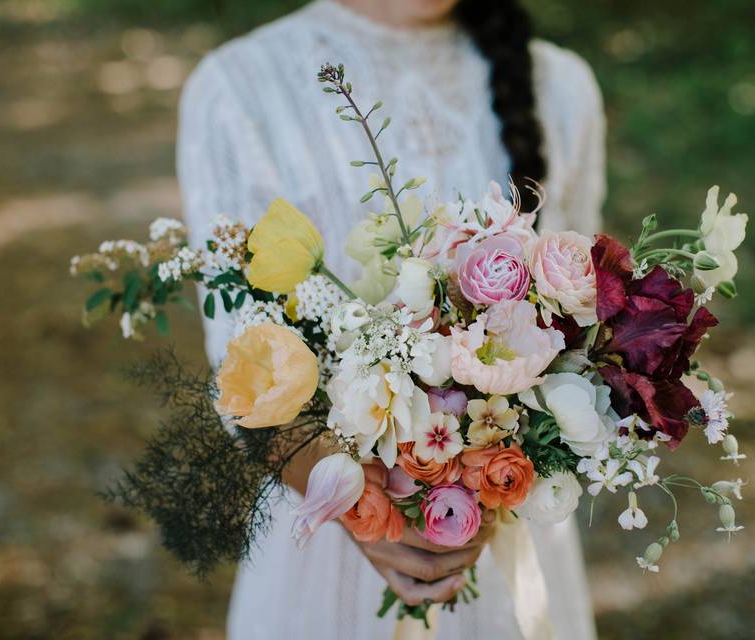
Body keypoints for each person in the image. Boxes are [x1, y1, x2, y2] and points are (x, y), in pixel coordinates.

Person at [177, 0, 604, 637]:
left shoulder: (561, 86)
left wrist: (492, 477)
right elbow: (242, 369)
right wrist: (370, 513)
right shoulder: (239, 87)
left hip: (509, 549)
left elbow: (579, 331)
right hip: (328, 542)